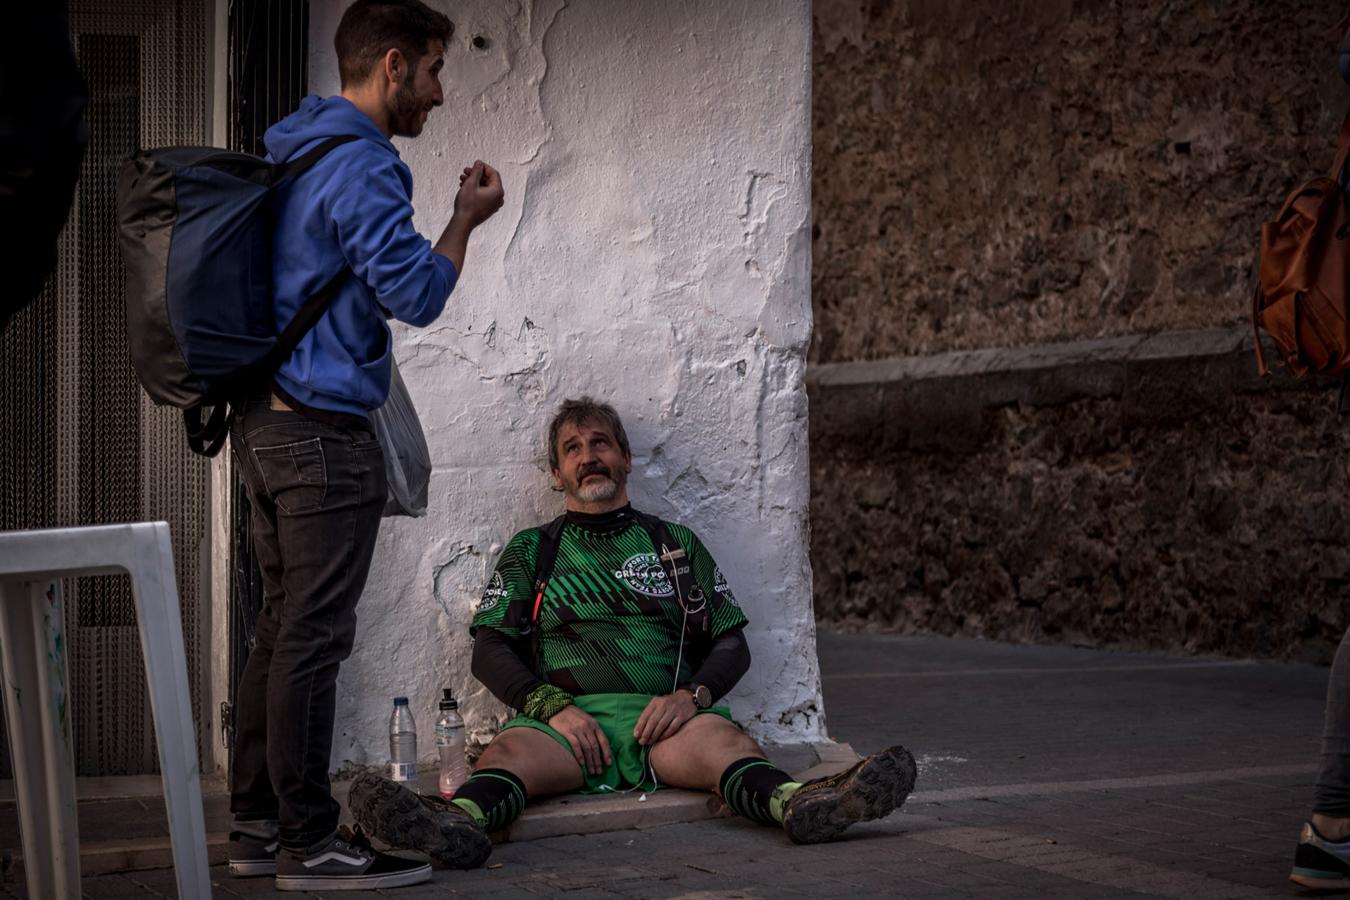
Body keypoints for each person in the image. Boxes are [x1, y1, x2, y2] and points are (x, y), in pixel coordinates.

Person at [346, 396, 917, 868]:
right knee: (507, 754)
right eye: (572, 449)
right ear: (557, 473)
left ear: (625, 458)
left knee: (730, 746)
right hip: (566, 730)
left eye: (600, 444)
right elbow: (490, 648)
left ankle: (804, 806)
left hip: (662, 729)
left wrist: (691, 697)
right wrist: (551, 706)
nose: (588, 457)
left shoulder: (674, 545)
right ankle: (454, 824)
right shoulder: (533, 550)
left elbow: (729, 642)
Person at [225, 0, 504, 891]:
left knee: (282, 630)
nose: (439, 94)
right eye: (431, 72)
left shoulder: (292, 145)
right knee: (311, 639)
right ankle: (310, 845)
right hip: (320, 432)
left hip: (265, 423)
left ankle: (257, 826)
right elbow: (415, 292)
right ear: (391, 66)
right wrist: (464, 219)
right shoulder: (362, 166)